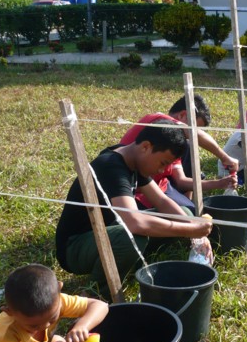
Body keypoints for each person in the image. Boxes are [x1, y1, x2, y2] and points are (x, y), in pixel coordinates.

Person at [56, 121, 214, 298]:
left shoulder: (133, 160)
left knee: (185, 214)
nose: (162, 170)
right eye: (163, 163)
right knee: (132, 238)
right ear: (146, 146)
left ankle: (131, 263)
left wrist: (194, 228)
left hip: (109, 231)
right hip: (75, 247)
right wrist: (189, 230)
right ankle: (97, 293)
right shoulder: (111, 166)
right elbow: (134, 222)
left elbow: (162, 201)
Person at [120, 95, 238, 212]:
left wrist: (219, 183)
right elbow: (193, 134)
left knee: (190, 211)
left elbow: (181, 181)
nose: (161, 170)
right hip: (138, 191)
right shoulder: (157, 120)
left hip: (160, 186)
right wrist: (224, 157)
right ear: (182, 115)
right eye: (196, 127)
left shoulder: (174, 143)